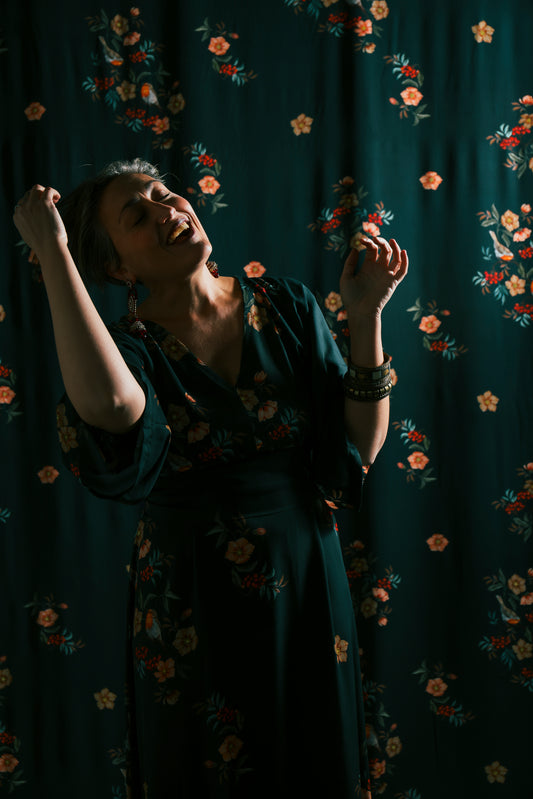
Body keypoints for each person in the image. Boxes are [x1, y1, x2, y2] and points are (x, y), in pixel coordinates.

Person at [13, 158, 408, 799]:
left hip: (309, 575)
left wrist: (365, 318)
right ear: (117, 268)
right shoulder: (128, 346)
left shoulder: (286, 305)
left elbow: (358, 447)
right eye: (137, 215)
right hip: (191, 592)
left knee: (316, 760)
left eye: (166, 194)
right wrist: (55, 254)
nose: (167, 210)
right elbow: (111, 407)